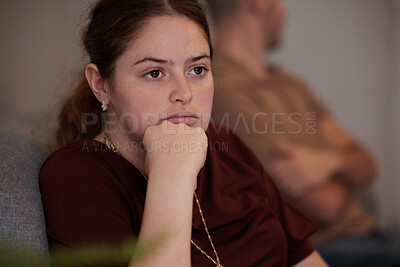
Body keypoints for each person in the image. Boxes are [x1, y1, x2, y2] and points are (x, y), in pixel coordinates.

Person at [39, 0, 328, 266]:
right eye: (155, 73)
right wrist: (172, 175)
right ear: (101, 85)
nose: (185, 93)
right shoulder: (75, 176)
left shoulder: (226, 147)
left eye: (198, 70)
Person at [206, 0, 400, 265]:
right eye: (279, 3)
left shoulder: (291, 84)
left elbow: (368, 165)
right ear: (257, 4)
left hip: (372, 236)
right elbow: (327, 206)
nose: (285, 13)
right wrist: (345, 165)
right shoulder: (223, 91)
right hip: (326, 248)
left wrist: (328, 163)